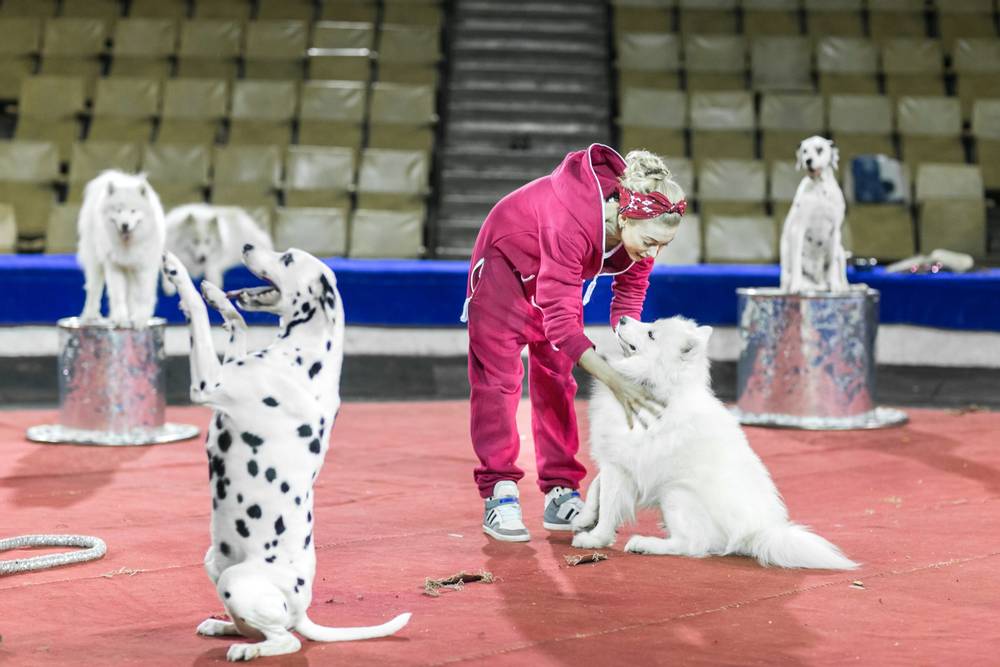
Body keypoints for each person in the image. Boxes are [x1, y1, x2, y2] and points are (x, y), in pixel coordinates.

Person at [461, 144, 688, 542]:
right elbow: (563, 323)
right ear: (625, 214)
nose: (653, 252)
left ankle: (560, 490)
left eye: (662, 246)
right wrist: (615, 380)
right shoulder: (571, 219)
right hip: (504, 268)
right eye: (651, 242)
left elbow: (630, 293)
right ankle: (500, 490)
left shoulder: (644, 225)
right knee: (498, 384)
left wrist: (633, 343)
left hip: (553, 277)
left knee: (557, 380)